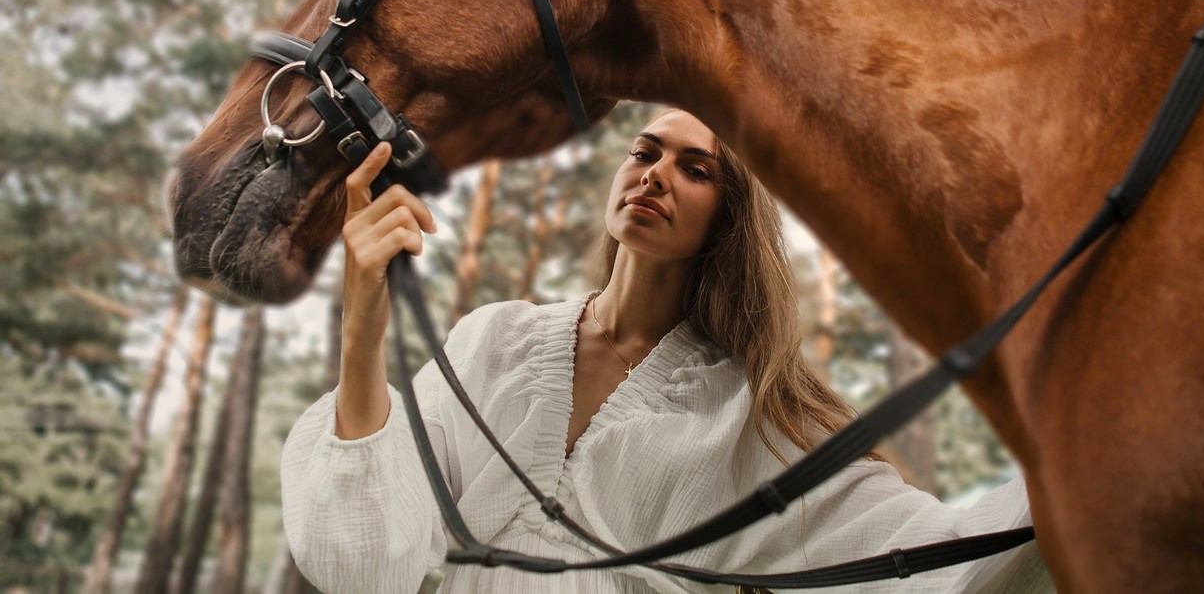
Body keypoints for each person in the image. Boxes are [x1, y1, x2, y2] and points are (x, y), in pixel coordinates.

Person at [280, 109, 1052, 593]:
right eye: (645, 151)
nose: (655, 173)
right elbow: (363, 562)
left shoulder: (746, 415)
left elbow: (938, 564)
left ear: (728, 217)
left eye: (695, 167)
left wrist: (1098, 459)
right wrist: (364, 325)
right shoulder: (497, 339)